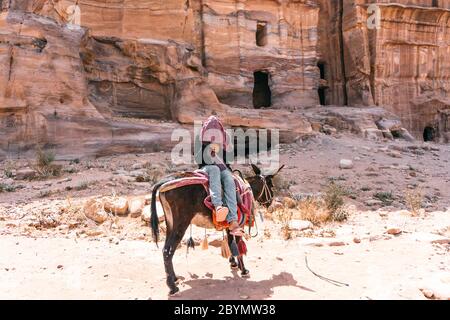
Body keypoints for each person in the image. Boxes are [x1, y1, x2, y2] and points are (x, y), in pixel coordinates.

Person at [195, 116, 240, 232]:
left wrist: (221, 153)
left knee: (229, 179)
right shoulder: (199, 138)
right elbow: (198, 159)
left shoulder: (225, 139)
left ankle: (233, 220)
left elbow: (228, 160)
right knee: (214, 170)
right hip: (206, 167)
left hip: (222, 167)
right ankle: (218, 206)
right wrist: (208, 152)